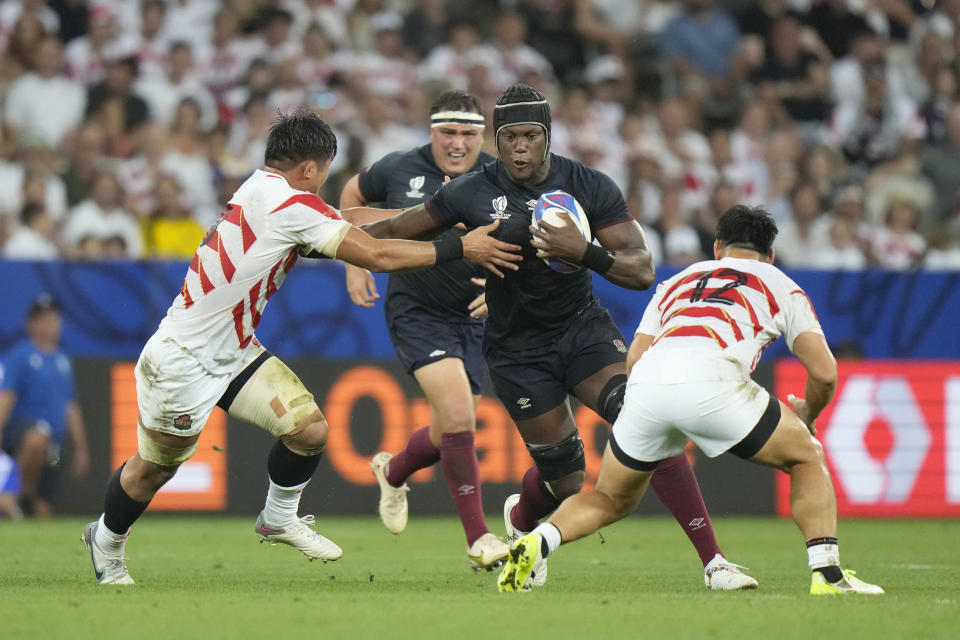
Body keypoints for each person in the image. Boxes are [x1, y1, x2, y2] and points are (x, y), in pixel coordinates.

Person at [81, 110, 521, 585]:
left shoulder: (262, 189)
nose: (325, 181)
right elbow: (374, 253)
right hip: (185, 360)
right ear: (310, 169)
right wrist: (460, 248)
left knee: (308, 430)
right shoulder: (292, 206)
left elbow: (349, 220)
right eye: (325, 170)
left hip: (234, 351)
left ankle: (277, 518)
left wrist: (439, 217)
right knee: (155, 468)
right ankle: (106, 541)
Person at [361, 84, 756, 590]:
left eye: (531, 136)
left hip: (582, 330)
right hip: (517, 351)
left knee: (643, 418)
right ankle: (523, 524)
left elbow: (640, 269)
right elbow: (400, 228)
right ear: (497, 142)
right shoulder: (470, 191)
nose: (520, 147)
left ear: (548, 137)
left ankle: (714, 563)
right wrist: (327, 240)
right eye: (510, 138)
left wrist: (584, 249)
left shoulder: (589, 185)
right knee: (564, 478)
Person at [496, 205, 884, 596]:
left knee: (608, 498)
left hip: (646, 385)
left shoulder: (679, 281)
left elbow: (634, 357)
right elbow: (825, 373)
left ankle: (539, 539)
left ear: (717, 248)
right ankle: (828, 576)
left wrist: (652, 406)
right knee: (806, 457)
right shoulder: (781, 283)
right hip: (715, 378)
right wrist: (807, 415)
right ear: (769, 255)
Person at [338, 90, 508, 570]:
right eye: (448, 132)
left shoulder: (499, 177)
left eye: (468, 134)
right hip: (416, 310)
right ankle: (478, 538)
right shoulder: (397, 168)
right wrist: (354, 262)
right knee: (458, 418)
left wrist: (502, 292)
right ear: (431, 132)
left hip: (474, 317)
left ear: (483, 137)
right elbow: (351, 197)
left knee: (449, 426)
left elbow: (523, 242)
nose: (458, 143)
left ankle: (393, 471)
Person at [0, 294, 89, 517]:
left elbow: (70, 406)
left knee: (44, 508)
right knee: (37, 439)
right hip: (20, 436)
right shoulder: (20, 356)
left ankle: (28, 503)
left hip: (55, 448)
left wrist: (80, 448)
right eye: (44, 318)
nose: (51, 323)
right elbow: (7, 395)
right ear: (31, 324)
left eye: (54, 317)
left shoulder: (63, 360)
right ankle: (18, 494)